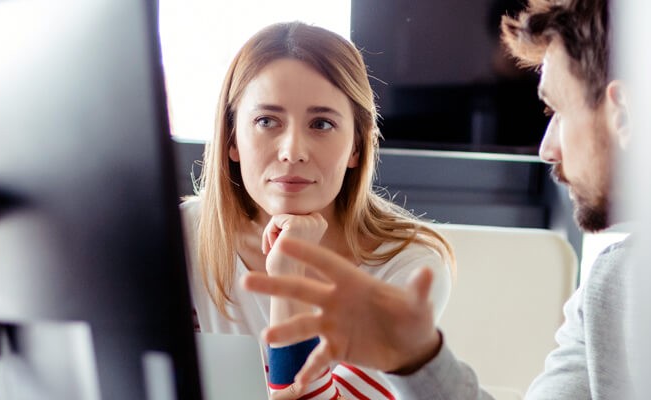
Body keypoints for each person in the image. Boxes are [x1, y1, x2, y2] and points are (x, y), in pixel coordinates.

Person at [241, 0, 632, 398]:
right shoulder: (608, 291)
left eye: (558, 109)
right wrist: (416, 359)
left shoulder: (409, 262)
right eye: (266, 121)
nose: (547, 148)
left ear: (623, 115)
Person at [180, 21, 456, 400]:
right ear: (232, 140)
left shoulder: (409, 268)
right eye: (266, 121)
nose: (293, 150)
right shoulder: (179, 235)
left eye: (321, 123)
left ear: (356, 147)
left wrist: (289, 272)